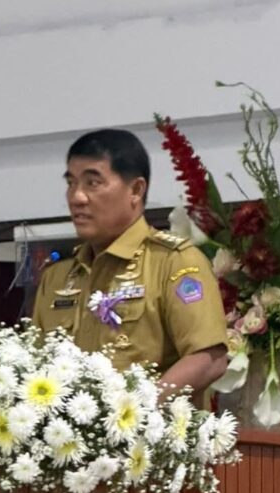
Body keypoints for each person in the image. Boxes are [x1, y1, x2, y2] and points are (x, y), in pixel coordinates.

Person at [32, 128, 228, 396]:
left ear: (135, 190)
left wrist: (139, 409)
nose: (77, 197)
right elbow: (35, 367)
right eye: (71, 183)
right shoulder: (57, 276)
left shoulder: (174, 261)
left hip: (146, 421)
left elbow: (209, 358)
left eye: (92, 183)